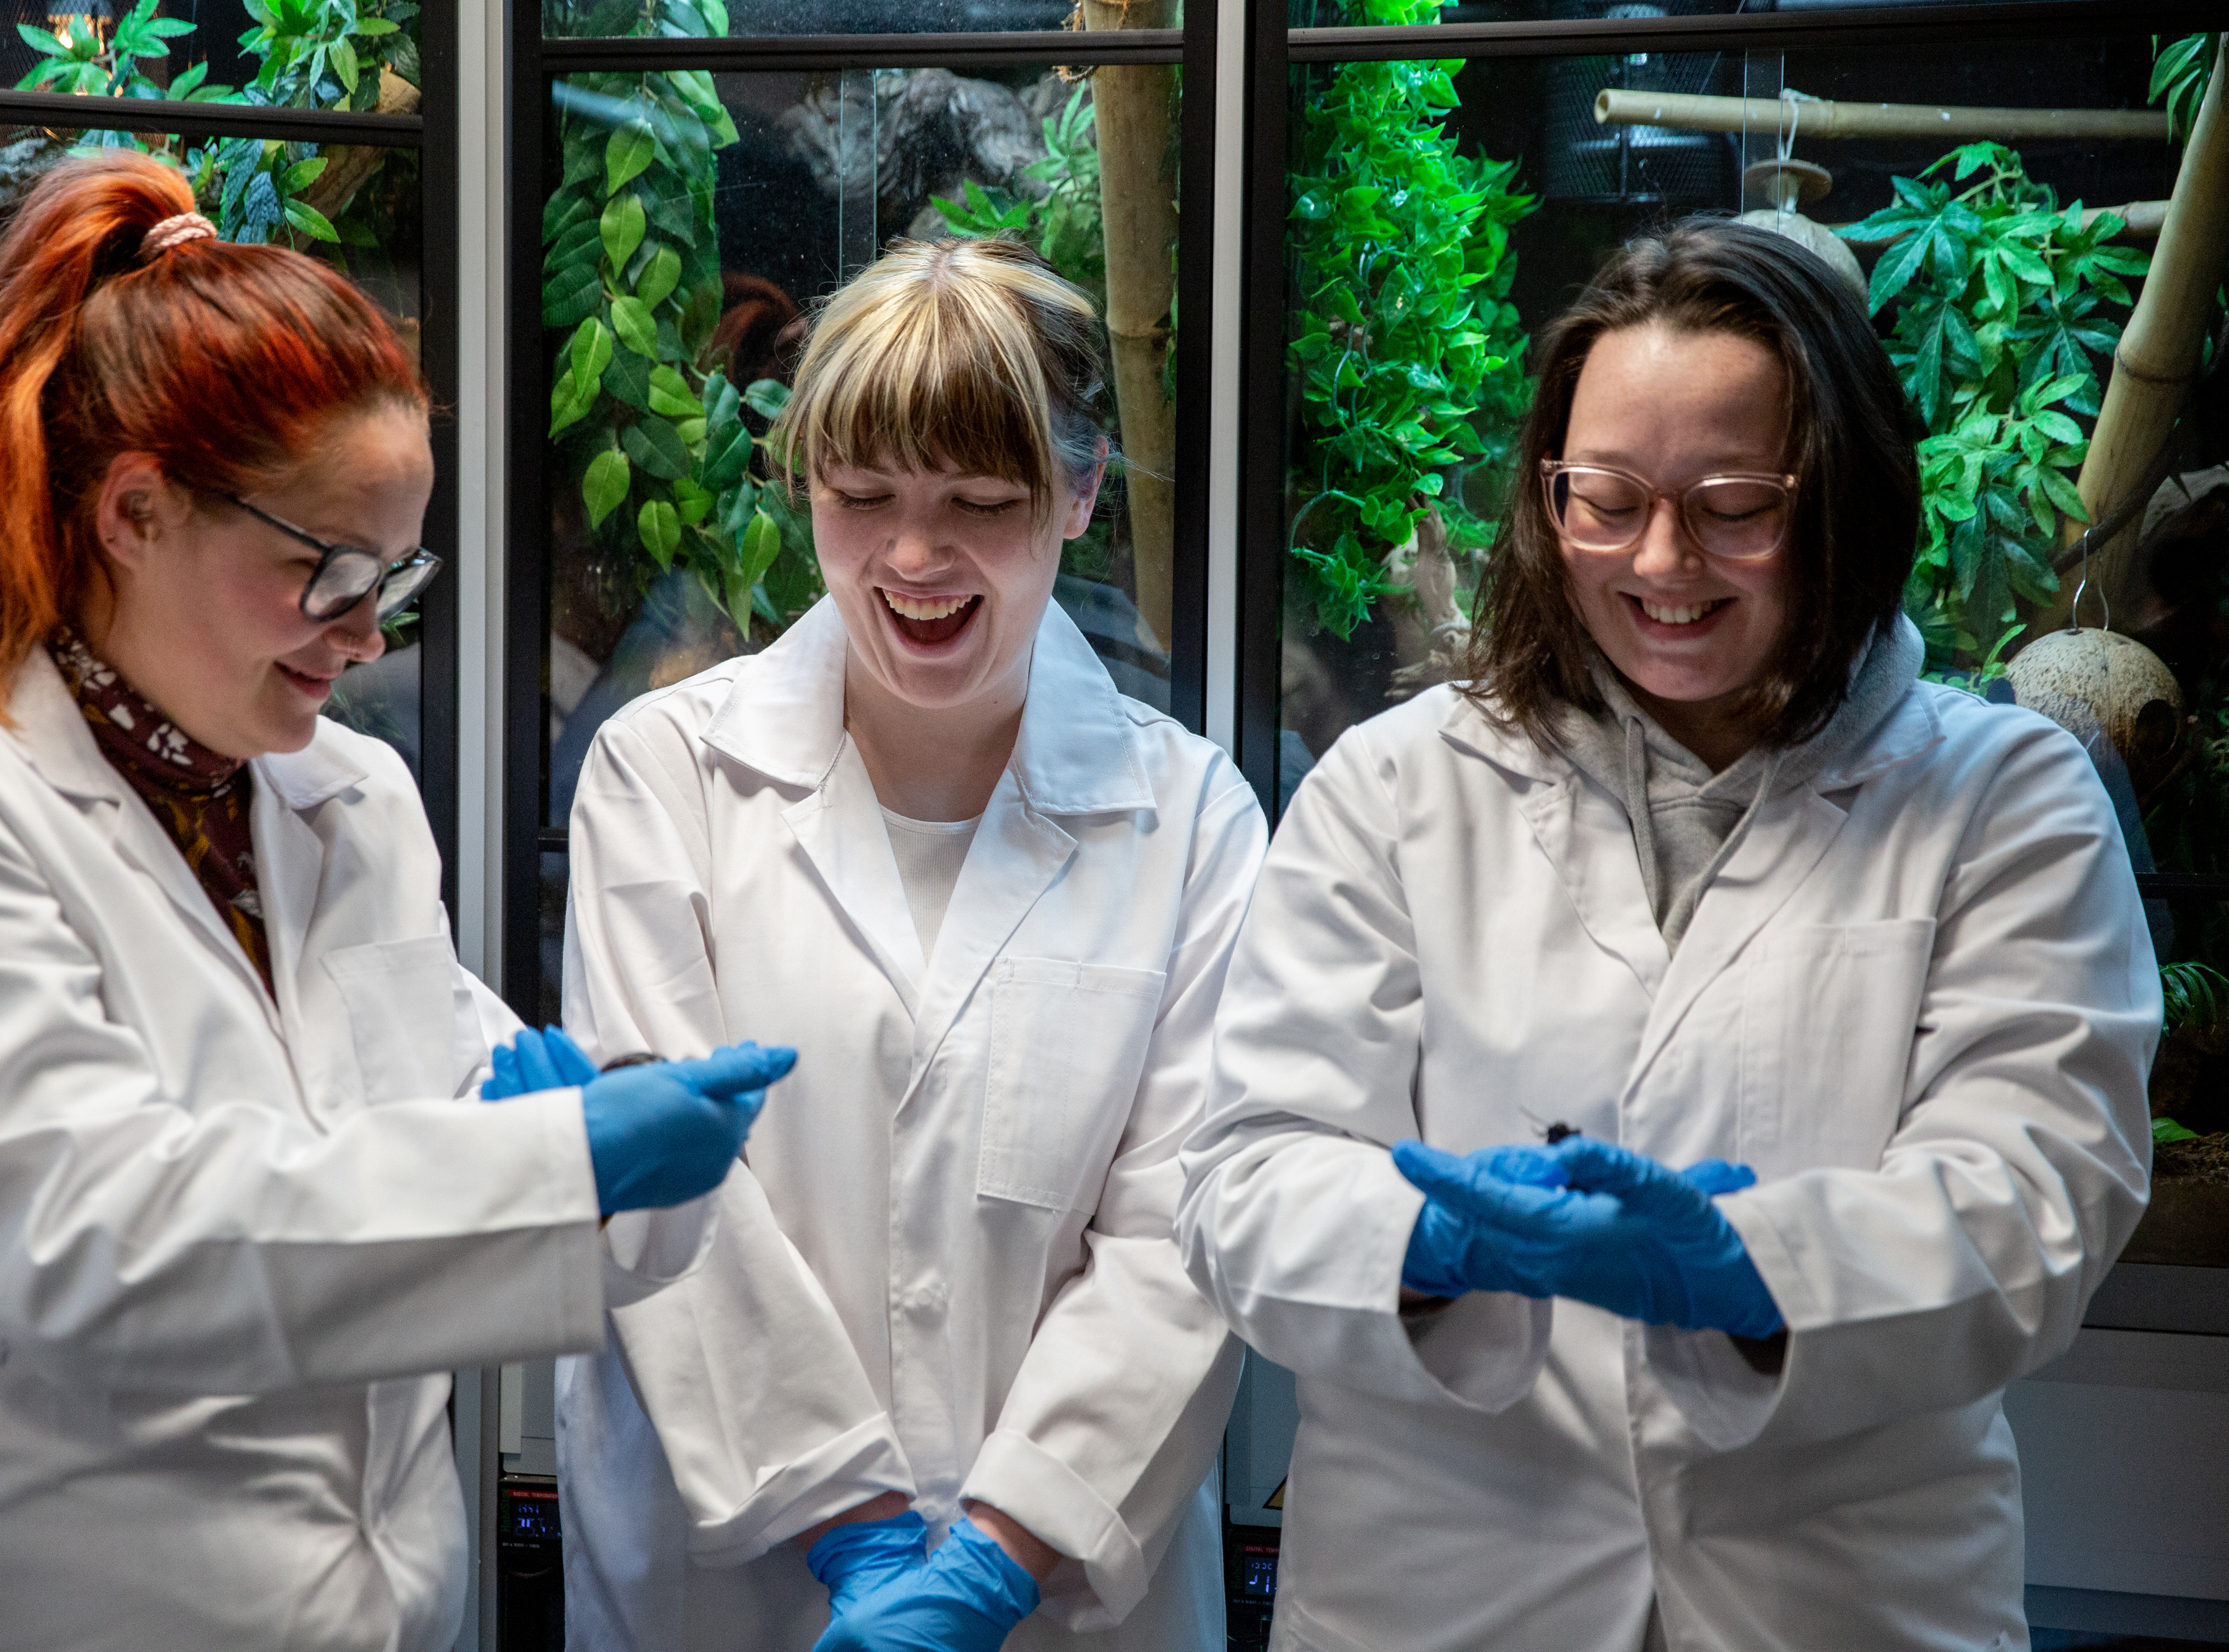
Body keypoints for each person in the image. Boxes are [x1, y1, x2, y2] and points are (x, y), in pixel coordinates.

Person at [0, 153, 793, 1652]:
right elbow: (103, 1247)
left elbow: (444, 1121)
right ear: (133, 511)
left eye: (400, 570)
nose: (369, 633)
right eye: (331, 570)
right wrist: (554, 1165)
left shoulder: (342, 801)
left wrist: (618, 1141)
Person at [1177, 219, 2159, 1651]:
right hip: (1441, 1594)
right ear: (1541, 495)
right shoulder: (1394, 788)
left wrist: (1755, 1269)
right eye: (1605, 499)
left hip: (1839, 1603)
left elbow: (2039, 1191)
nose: (1660, 559)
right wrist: (1430, 1240)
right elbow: (1246, 1175)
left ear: (1839, 499)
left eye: (1732, 504)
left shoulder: (1999, 798)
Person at [531, 236, 1262, 1652]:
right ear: (804, 482)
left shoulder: (1187, 817)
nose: (911, 559)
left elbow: (1183, 1232)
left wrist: (994, 1555)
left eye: (978, 502)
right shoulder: (667, 774)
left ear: (1079, 489)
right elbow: (673, 1199)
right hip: (735, 1574)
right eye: (860, 498)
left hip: (1052, 1599)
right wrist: (851, 1525)